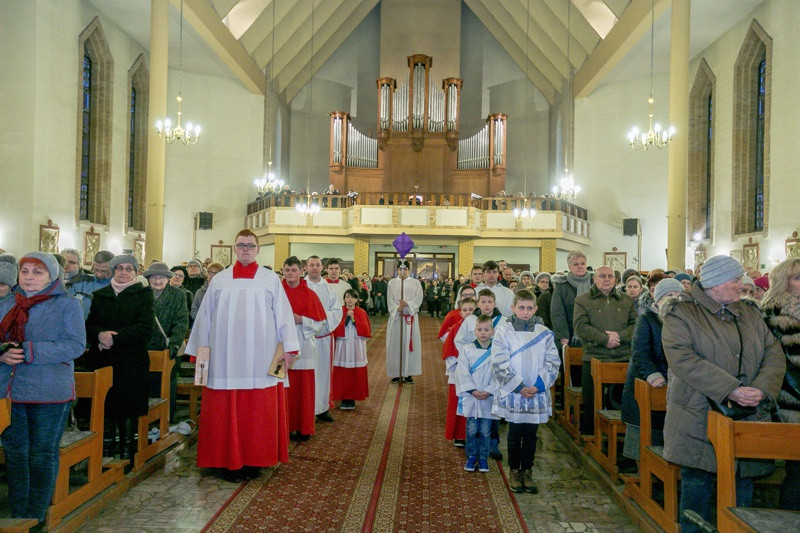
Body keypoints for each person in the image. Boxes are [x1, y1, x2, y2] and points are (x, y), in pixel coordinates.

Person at [660, 255, 785, 532]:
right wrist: (731, 390)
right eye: (735, 280)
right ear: (715, 284)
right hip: (698, 413)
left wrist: (761, 389)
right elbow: (683, 358)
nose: (742, 286)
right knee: (698, 487)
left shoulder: (749, 313)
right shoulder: (681, 312)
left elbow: (773, 352)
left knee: (742, 487)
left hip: (748, 414)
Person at [185, 229, 300, 482]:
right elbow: (204, 319)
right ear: (235, 249)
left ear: (258, 249)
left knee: (257, 412)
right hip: (223, 359)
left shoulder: (270, 279)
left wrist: (290, 349)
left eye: (250, 245)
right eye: (241, 245)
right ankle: (224, 460)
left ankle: (255, 459)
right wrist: (199, 356)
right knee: (224, 410)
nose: (246, 249)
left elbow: (284, 316)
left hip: (261, 357)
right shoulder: (220, 280)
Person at [0, 252, 85, 527]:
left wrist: (30, 351)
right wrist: (2, 352)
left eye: (37, 272)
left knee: (41, 454)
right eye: (24, 271)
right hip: (11, 390)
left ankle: (36, 519)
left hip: (49, 391)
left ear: (52, 275)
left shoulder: (67, 304)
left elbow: (75, 345)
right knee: (16, 455)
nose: (29, 277)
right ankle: (18, 519)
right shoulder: (7, 303)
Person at [84, 254, 155, 468]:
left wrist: (113, 338)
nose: (124, 272)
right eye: (119, 268)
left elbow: (145, 328)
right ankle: (104, 451)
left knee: (127, 406)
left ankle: (127, 453)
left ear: (135, 272)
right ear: (113, 270)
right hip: (103, 359)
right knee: (105, 404)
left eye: (128, 268)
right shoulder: (101, 295)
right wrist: (99, 335)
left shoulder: (143, 294)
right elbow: (89, 325)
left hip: (131, 360)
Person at [492, 289, 560, 494]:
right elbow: (499, 361)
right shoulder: (504, 331)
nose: (525, 312)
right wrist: (518, 386)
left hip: (536, 392)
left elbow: (552, 361)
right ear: (513, 308)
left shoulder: (544, 333)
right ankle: (514, 470)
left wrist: (538, 386)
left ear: (536, 309)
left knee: (531, 434)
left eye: (530, 308)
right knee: (514, 433)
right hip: (515, 392)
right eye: (521, 307)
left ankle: (527, 471)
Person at [620, 278, 683, 468]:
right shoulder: (647, 319)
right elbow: (640, 352)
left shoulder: (686, 321)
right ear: (659, 298)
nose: (674, 300)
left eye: (679, 295)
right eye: (670, 295)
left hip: (675, 385)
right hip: (647, 382)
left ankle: (664, 470)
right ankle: (643, 469)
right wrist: (653, 375)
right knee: (645, 428)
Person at [572, 265, 637, 435]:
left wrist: (619, 336)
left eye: (610, 276)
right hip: (595, 357)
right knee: (592, 402)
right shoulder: (583, 300)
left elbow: (635, 326)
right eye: (602, 276)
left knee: (621, 402)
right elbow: (581, 327)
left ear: (615, 280)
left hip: (622, 357)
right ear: (594, 279)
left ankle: (619, 437)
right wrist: (605, 340)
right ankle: (591, 435)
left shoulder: (627, 300)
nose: (607, 279)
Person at [759, 257, 800, 510]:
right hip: (791, 399)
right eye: (798, 278)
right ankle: (789, 521)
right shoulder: (774, 314)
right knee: (797, 472)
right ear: (784, 282)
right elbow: (780, 364)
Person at [282, 256, 328, 439]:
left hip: (304, 344)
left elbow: (320, 322)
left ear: (301, 271)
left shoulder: (310, 294)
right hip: (281, 346)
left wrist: (301, 319)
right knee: (284, 388)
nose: (290, 273)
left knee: (304, 389)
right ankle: (285, 426)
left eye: (294, 270)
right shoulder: (277, 293)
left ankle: (304, 427)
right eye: (287, 270)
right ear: (282, 271)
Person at [143, 262, 190, 419]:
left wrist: (175, 343)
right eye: (154, 278)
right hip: (145, 347)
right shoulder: (141, 294)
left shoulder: (178, 295)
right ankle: (146, 420)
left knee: (168, 383)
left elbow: (181, 321)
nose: (158, 281)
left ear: (168, 279)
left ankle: (166, 418)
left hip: (168, 346)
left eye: (161, 278)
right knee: (146, 384)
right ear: (148, 279)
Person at [455, 314, 499, 473]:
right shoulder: (468, 350)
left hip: (488, 397)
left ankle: (483, 458)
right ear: (475, 331)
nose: (483, 333)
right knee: (472, 430)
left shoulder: (497, 351)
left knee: (486, 431)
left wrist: (489, 390)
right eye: (480, 329)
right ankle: (472, 456)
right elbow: (462, 372)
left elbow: (499, 373)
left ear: (492, 331)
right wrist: (472, 390)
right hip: (472, 397)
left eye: (486, 329)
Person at [304, 255, 343, 423]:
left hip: (323, 337)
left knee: (323, 373)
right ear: (306, 267)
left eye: (317, 265)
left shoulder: (328, 288)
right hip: (305, 338)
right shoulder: (301, 285)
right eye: (311, 265)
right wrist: (310, 323)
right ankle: (305, 410)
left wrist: (320, 320)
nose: (314, 268)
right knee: (306, 375)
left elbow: (337, 311)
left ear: (322, 268)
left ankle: (322, 408)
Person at [442, 296, 477, 447]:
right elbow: (448, 351)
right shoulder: (456, 329)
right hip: (459, 370)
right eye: (465, 310)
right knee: (459, 403)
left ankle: (474, 434)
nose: (468, 313)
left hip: (477, 371)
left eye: (472, 310)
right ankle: (459, 435)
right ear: (460, 312)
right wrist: (461, 365)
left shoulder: (481, 327)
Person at [331, 288, 372, 410]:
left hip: (356, 345)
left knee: (355, 371)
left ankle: (353, 397)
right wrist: (346, 320)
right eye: (347, 297)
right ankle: (343, 397)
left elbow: (365, 329)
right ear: (344, 299)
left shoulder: (361, 312)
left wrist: (354, 320)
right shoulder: (339, 311)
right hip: (342, 345)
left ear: (357, 299)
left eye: (353, 297)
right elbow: (335, 328)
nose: (350, 299)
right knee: (342, 371)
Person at [386, 260, 423, 383]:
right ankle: (396, 373)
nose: (403, 272)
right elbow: (390, 299)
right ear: (397, 270)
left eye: (405, 269)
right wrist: (397, 308)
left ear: (409, 270)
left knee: (409, 347)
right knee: (396, 345)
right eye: (400, 269)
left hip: (410, 319)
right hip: (397, 319)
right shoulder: (392, 283)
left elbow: (418, 299)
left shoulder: (415, 283)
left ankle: (408, 373)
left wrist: (408, 304)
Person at [551, 250, 592, 347]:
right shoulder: (562, 284)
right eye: (575, 264)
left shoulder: (595, 282)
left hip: (594, 334)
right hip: (570, 334)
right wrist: (563, 336)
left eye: (582, 263)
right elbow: (557, 312)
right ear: (569, 267)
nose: (580, 266)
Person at [68, 250, 115, 319]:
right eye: (96, 270)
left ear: (113, 269)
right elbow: (66, 303)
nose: (98, 274)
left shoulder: (117, 286)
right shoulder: (81, 281)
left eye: (104, 271)